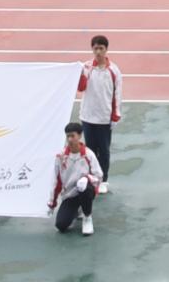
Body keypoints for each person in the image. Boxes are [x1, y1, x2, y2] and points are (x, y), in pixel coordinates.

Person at [50, 123, 108, 236]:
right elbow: (56, 180)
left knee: (85, 188)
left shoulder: (88, 155)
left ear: (80, 136)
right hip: (70, 195)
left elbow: (99, 176)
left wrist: (87, 178)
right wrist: (52, 202)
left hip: (86, 191)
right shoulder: (61, 157)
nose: (70, 139)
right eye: (68, 136)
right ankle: (76, 210)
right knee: (61, 225)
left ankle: (87, 217)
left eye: (73, 136)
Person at [77, 35, 122, 177]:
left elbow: (117, 94)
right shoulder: (86, 67)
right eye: (95, 48)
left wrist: (115, 116)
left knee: (104, 151)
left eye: (101, 48)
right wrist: (81, 74)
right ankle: (91, 178)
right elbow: (81, 88)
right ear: (92, 49)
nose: (98, 52)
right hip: (88, 117)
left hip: (104, 118)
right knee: (89, 152)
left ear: (106, 49)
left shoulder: (114, 71)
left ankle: (103, 180)